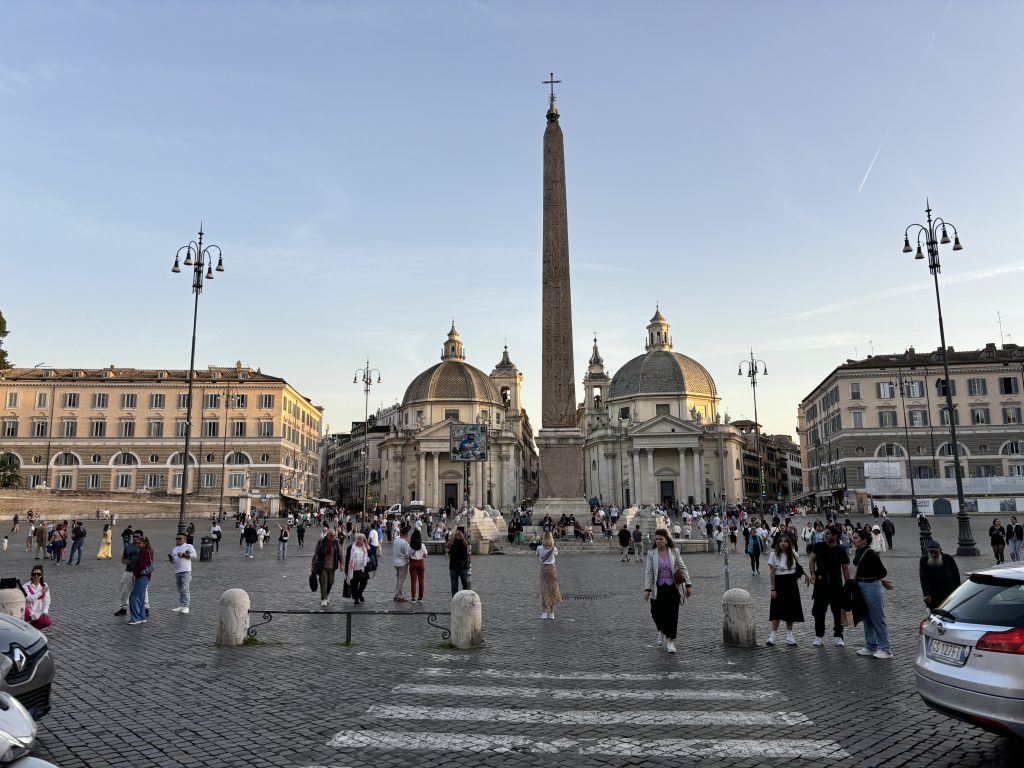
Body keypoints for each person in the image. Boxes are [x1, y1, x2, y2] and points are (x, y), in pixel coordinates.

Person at [643, 528, 693, 654]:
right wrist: (647, 589)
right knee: (656, 612)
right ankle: (660, 629)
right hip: (657, 587)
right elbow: (649, 572)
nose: (658, 541)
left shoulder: (674, 551)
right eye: (657, 539)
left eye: (661, 539)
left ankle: (670, 641)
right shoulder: (651, 553)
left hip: (672, 587)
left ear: (666, 540)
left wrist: (688, 584)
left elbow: (683, 567)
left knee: (672, 614)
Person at [850, 529, 894, 658]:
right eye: (853, 537)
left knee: (877, 618)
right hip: (861, 585)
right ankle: (870, 645)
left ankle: (885, 648)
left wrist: (879, 579)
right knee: (866, 617)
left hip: (871, 587)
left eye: (856, 538)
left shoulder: (871, 553)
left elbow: (882, 572)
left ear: (864, 540)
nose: (853, 540)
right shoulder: (859, 551)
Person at [808, 524, 851, 646]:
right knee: (818, 612)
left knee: (838, 612)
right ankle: (818, 635)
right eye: (825, 533)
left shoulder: (841, 550)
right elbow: (812, 560)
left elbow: (846, 569)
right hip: (821, 585)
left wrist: (848, 585)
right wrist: (812, 573)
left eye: (828, 534)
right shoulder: (819, 546)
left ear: (835, 536)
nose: (825, 536)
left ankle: (838, 635)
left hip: (836, 585)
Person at [766, 535, 809, 646]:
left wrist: (806, 575)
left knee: (790, 610)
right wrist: (773, 589)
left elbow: (798, 567)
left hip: (791, 583)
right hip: (779, 583)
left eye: (786, 541)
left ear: (789, 543)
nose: (783, 543)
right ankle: (773, 635)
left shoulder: (793, 554)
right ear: (778, 543)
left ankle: (789, 635)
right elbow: (772, 573)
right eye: (781, 541)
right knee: (776, 609)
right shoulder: (773, 555)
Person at [919, 540, 961, 610]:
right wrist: (926, 594)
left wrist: (958, 592)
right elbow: (923, 578)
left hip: (948, 594)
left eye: (935, 552)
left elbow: (956, 576)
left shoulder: (948, 559)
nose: (933, 555)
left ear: (940, 550)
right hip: (933, 595)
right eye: (931, 552)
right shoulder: (924, 560)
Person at [311, 528, 343, 607]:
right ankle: (324, 599)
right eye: (331, 536)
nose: (333, 537)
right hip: (322, 566)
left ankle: (327, 594)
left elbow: (340, 554)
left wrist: (341, 564)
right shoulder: (321, 542)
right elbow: (315, 554)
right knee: (324, 582)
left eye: (334, 536)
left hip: (332, 567)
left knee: (331, 582)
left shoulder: (336, 543)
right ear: (327, 535)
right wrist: (313, 564)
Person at [536, 531, 562, 620]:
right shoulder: (553, 548)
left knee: (544, 589)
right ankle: (551, 613)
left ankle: (544, 612)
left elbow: (537, 555)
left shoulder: (539, 548)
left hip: (544, 569)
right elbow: (556, 554)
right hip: (552, 569)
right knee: (553, 589)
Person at [129, 536, 154, 625]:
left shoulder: (145, 552)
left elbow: (142, 565)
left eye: (139, 543)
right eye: (137, 543)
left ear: (145, 543)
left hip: (142, 576)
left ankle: (136, 618)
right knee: (141, 597)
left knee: (133, 597)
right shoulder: (147, 551)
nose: (138, 545)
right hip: (145, 576)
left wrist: (135, 574)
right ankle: (142, 617)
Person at [170, 533, 197, 614]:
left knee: (185, 588)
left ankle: (186, 606)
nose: (178, 540)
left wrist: (184, 554)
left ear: (184, 539)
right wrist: (171, 560)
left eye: (180, 538)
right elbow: (174, 560)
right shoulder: (174, 549)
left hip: (186, 570)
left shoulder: (188, 546)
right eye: (177, 538)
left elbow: (194, 555)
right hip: (177, 571)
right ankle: (182, 605)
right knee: (180, 589)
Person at [345, 532, 371, 604]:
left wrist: (366, 543)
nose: (359, 540)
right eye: (358, 539)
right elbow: (347, 559)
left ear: (363, 540)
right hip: (354, 569)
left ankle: (359, 594)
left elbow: (370, 551)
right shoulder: (351, 547)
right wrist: (346, 570)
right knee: (354, 585)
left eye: (361, 539)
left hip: (362, 569)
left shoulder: (365, 547)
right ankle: (356, 598)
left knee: (364, 583)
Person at [24, 566, 52, 630]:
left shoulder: (45, 586)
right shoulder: (25, 586)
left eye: (38, 574)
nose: (36, 576)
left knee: (47, 621)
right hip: (28, 610)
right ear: (31, 575)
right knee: (25, 611)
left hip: (38, 610)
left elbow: (46, 601)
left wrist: (45, 611)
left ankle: (33, 627)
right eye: (34, 574)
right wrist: (41, 593)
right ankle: (24, 628)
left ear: (41, 575)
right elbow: (29, 598)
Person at [447, 529, 471, 596]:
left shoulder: (465, 539)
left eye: (460, 532)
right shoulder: (452, 538)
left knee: (465, 586)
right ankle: (454, 601)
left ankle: (466, 600)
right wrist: (454, 537)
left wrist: (462, 538)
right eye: (457, 532)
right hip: (453, 566)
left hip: (463, 566)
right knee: (454, 587)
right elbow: (447, 546)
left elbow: (468, 548)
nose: (459, 533)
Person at [392, 526, 411, 602]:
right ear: (406, 534)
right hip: (403, 563)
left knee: (398, 579)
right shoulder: (405, 543)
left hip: (395, 563)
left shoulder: (396, 540)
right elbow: (407, 555)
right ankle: (400, 596)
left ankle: (396, 594)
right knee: (402, 581)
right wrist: (409, 562)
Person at [408, 529, 427, 603]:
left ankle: (413, 598)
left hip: (413, 563)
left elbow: (408, 555)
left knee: (413, 581)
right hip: (421, 563)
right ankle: (420, 598)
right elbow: (425, 555)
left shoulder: (410, 545)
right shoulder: (422, 545)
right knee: (421, 581)